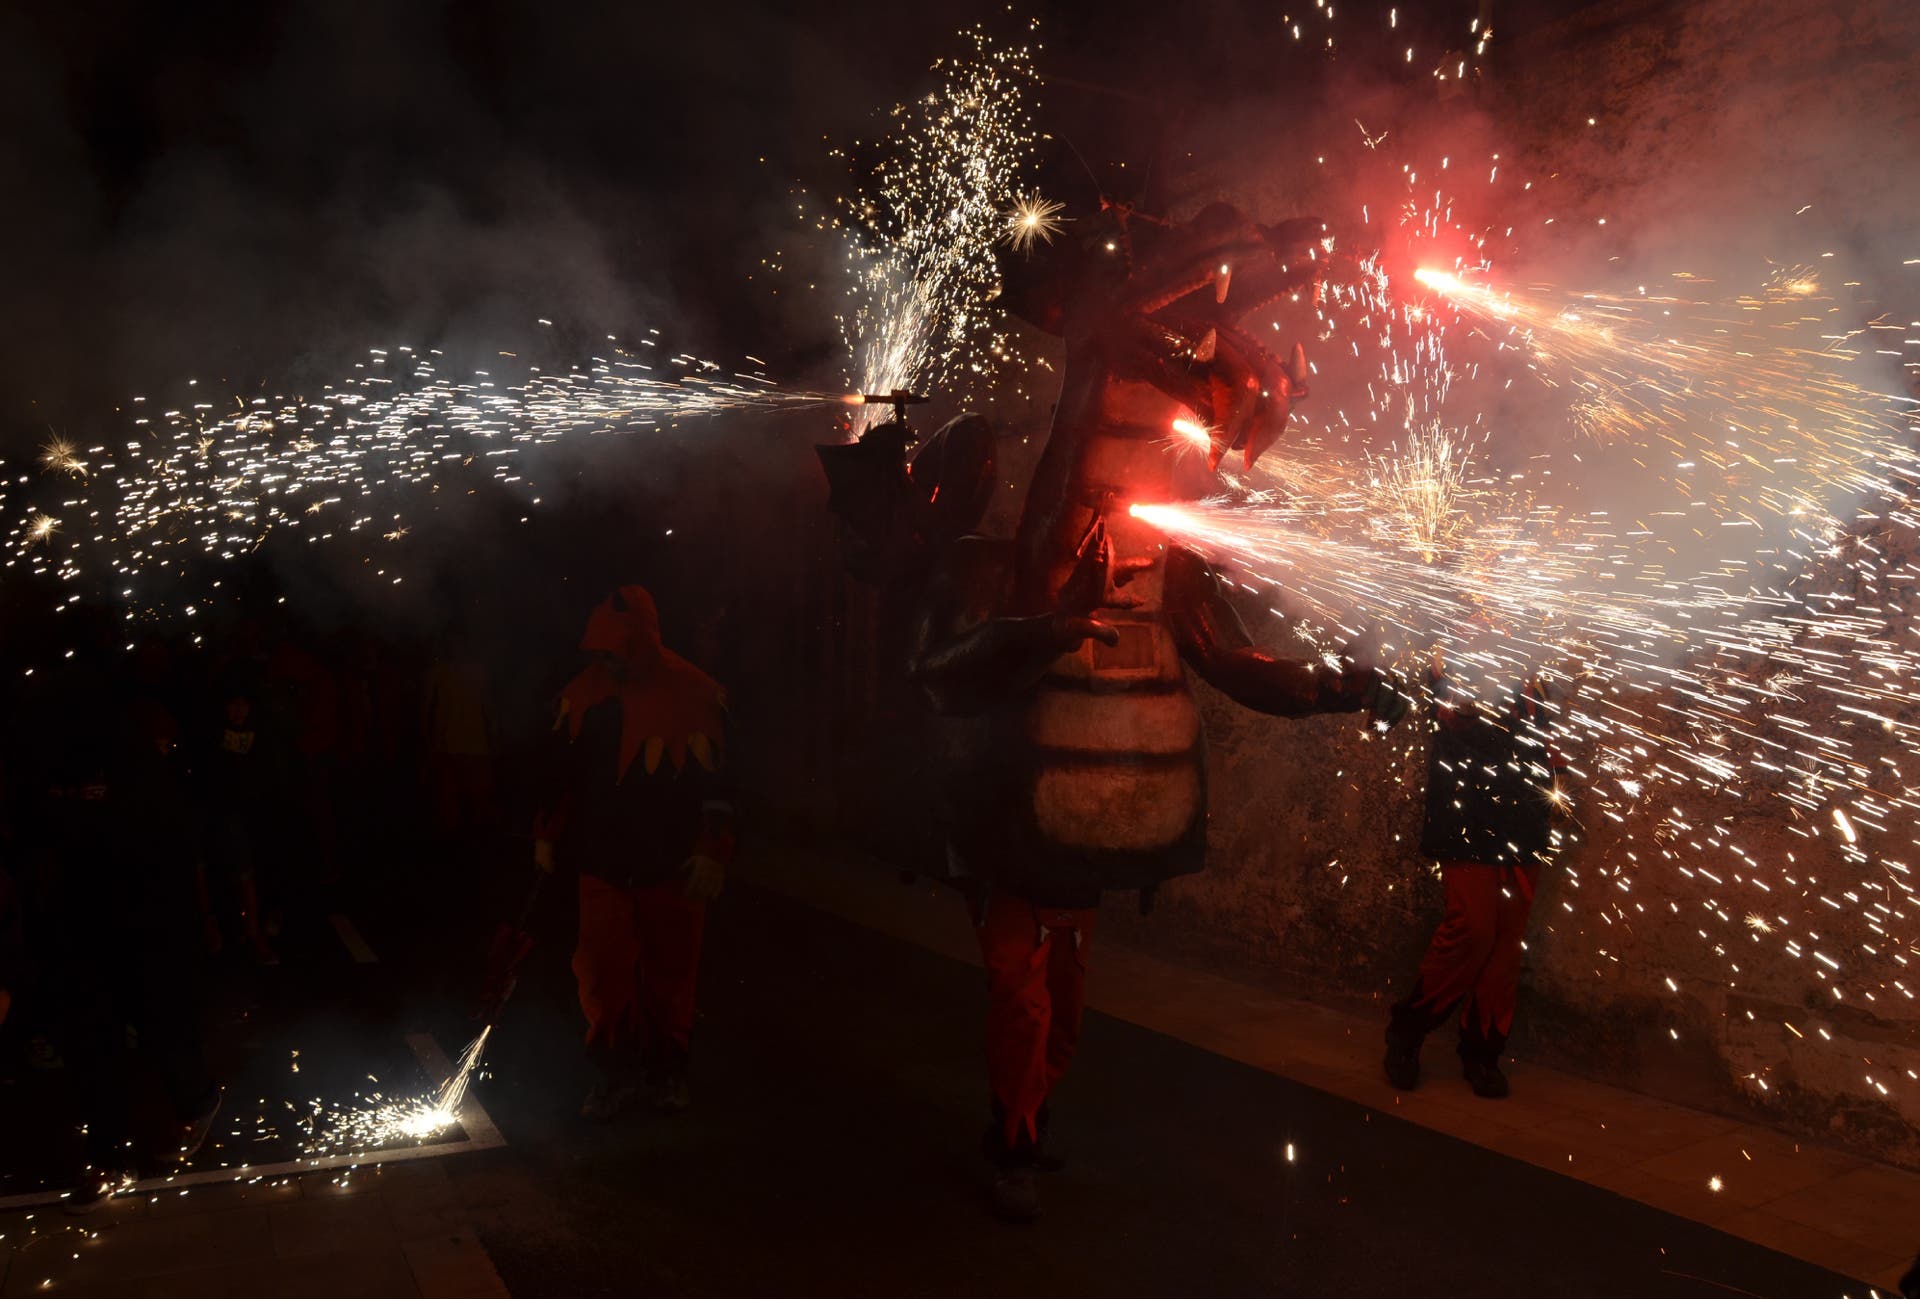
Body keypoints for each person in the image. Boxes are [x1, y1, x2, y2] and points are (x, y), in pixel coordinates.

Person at [532, 586, 733, 1121]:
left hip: (672, 865)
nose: (606, 663)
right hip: (602, 861)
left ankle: (666, 1073)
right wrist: (549, 833)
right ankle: (614, 1076)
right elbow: (564, 776)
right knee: (601, 975)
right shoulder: (584, 697)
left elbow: (721, 784)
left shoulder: (696, 693)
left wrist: (713, 847)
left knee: (670, 978)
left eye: (614, 652)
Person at [1384, 650, 1568, 1099]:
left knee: (1506, 946)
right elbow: (1452, 716)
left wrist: (1558, 784)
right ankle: (1409, 1029)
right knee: (1473, 928)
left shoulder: (1537, 661)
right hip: (1467, 815)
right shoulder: (1447, 652)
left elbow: (1549, 733)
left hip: (1525, 820)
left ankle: (1482, 1051)